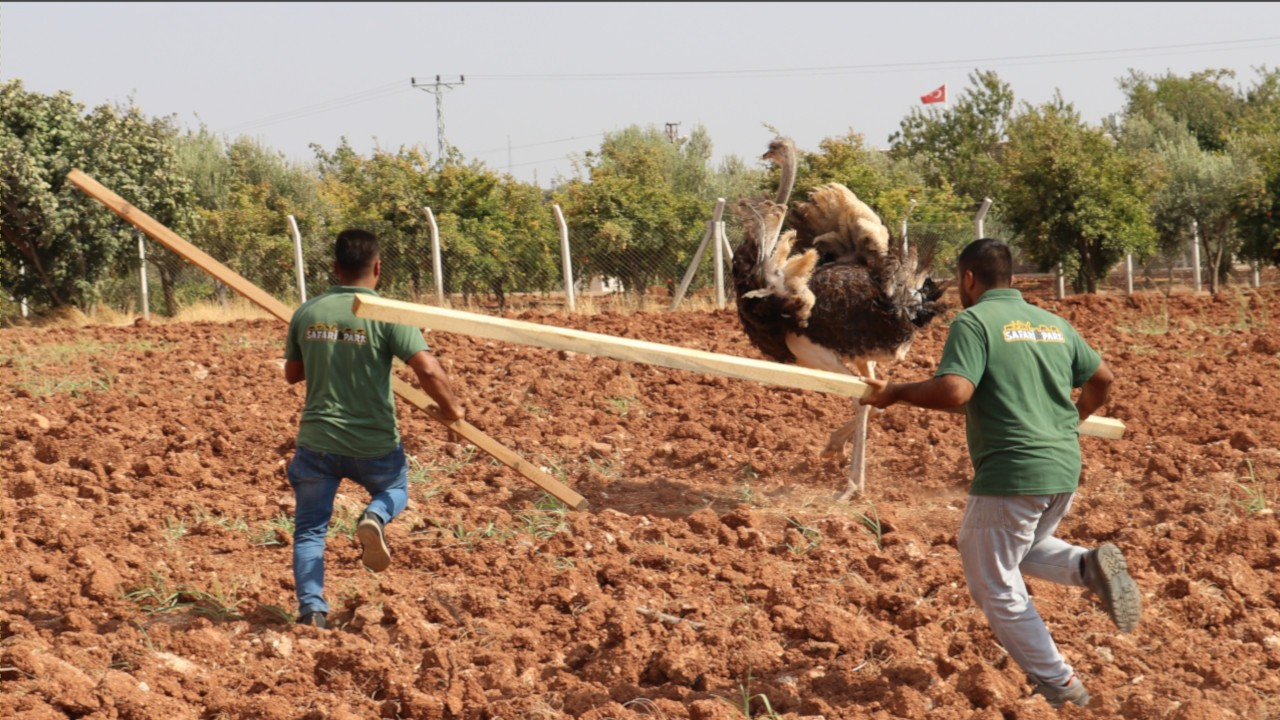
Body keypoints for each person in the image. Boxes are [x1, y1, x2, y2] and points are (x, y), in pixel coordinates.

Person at [861, 239, 1140, 709]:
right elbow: (1103, 379)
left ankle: (1060, 685)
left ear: (969, 278)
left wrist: (896, 392)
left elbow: (955, 390)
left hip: (1014, 470)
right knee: (1021, 547)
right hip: (1062, 467)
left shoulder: (974, 321)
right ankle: (1087, 567)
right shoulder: (1052, 324)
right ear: (1010, 277)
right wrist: (1077, 418)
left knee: (992, 582)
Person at [283, 229, 465, 629]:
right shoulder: (387, 314)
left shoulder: (307, 312)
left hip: (317, 442)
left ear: (334, 268)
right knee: (395, 489)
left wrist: (327, 350)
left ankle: (312, 610)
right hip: (374, 444)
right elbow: (428, 369)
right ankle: (376, 517)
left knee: (310, 530)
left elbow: (292, 375)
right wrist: (453, 411)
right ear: (378, 268)